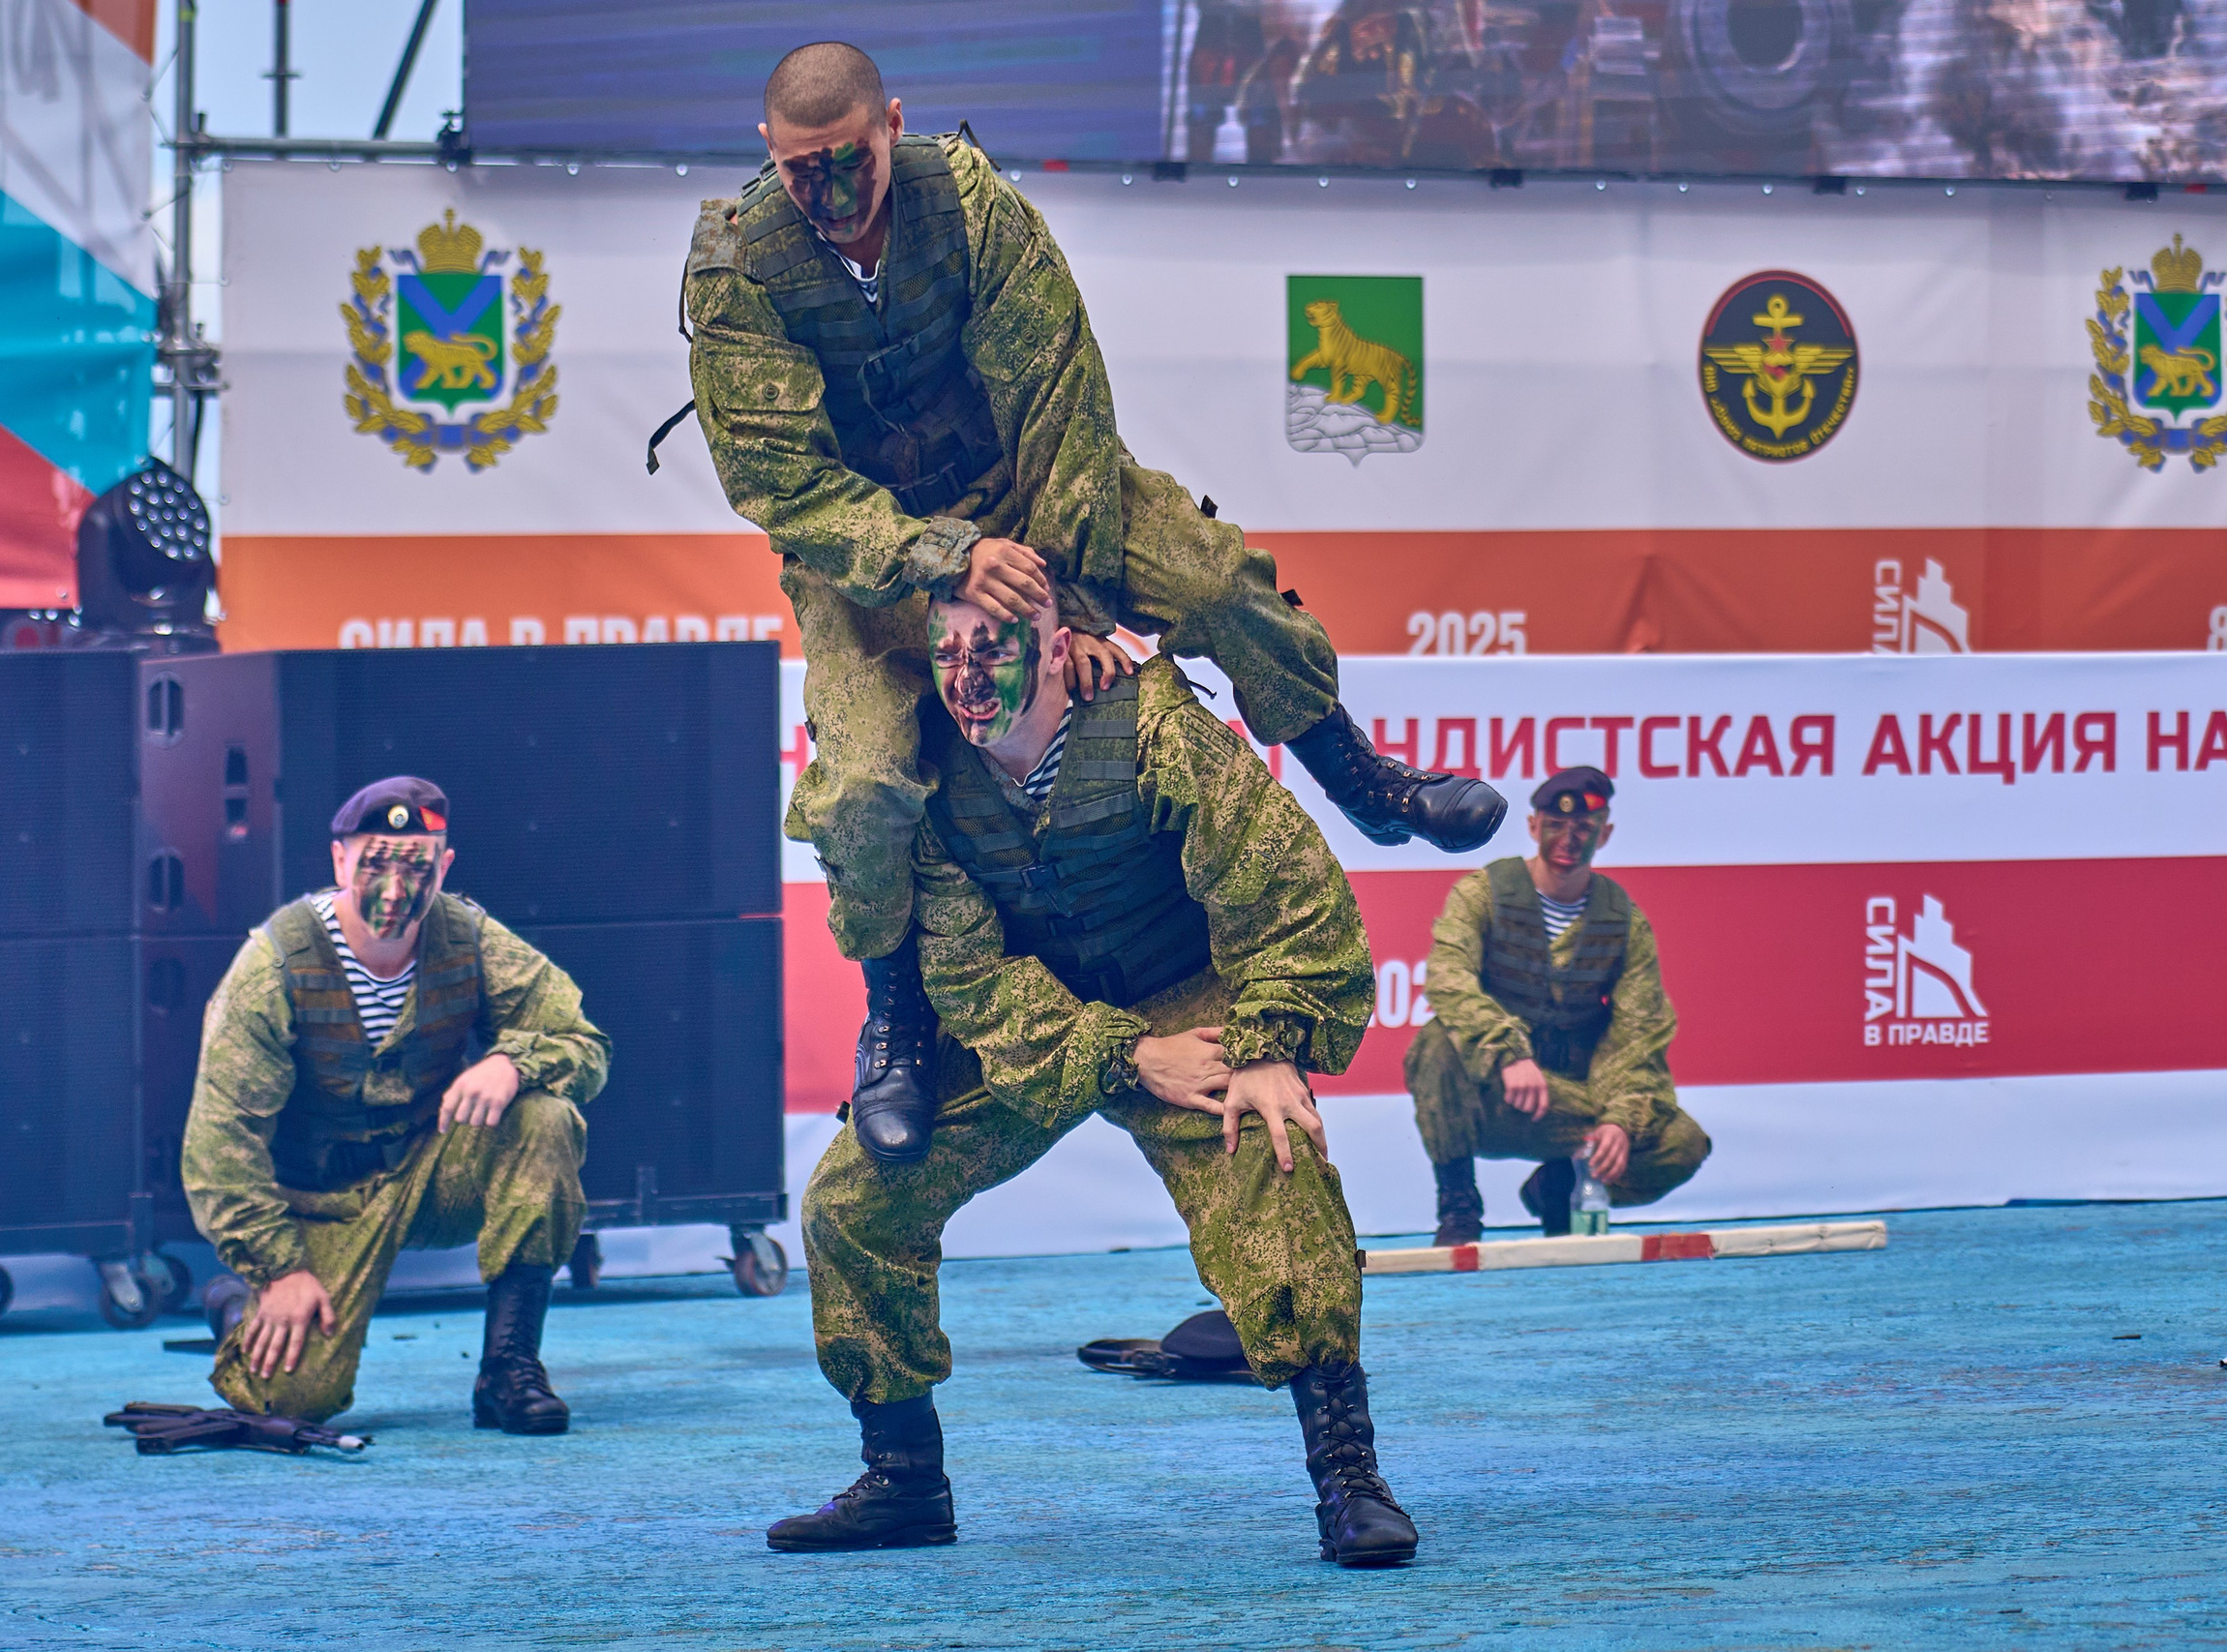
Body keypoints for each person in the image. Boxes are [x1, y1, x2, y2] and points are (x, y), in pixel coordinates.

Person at [680, 40, 1505, 1170]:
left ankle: (1353, 770)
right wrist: (940, 556)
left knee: (1214, 580)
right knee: (864, 776)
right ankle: (896, 1014)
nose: (826, 196)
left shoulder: (968, 204)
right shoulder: (737, 263)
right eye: (798, 172)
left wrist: (1057, 607)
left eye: (848, 162)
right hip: (868, 553)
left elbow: (1062, 407)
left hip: (1034, 493)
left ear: (895, 127)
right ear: (766, 158)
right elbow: (780, 482)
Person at [767, 588, 1418, 1569]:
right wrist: (1119, 1055)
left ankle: (1350, 1479)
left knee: (1275, 1157)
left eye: (994, 646)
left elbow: (1287, 891)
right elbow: (968, 979)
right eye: (947, 651)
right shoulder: (920, 783)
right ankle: (903, 1480)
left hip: (1187, 996)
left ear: (1061, 649)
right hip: (1041, 1021)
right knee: (852, 1203)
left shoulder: (1156, 733)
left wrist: (1273, 1042)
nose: (968, 675)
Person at [182, 777, 610, 1430]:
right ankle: (238, 1305)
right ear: (339, 860)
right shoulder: (275, 963)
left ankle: (508, 1367)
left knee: (543, 1116)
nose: (395, 884)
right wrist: (277, 1266)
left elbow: (582, 1040)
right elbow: (220, 1143)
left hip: (429, 1175)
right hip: (319, 1203)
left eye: (415, 863)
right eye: (375, 861)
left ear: (444, 865)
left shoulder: (467, 934)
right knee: (290, 1402)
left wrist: (510, 1061)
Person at [1402, 766, 1710, 1245]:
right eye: (1555, 825)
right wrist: (1507, 1051)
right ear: (1533, 827)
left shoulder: (1624, 922)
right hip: (1494, 1097)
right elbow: (1448, 978)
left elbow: (1636, 1035)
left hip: (1572, 1101)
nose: (1568, 838)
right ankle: (1459, 1206)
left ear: (1604, 834)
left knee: (1682, 1143)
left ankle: (1560, 1188)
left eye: (1584, 828)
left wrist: (1619, 1119)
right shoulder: (1483, 894)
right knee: (1436, 1044)